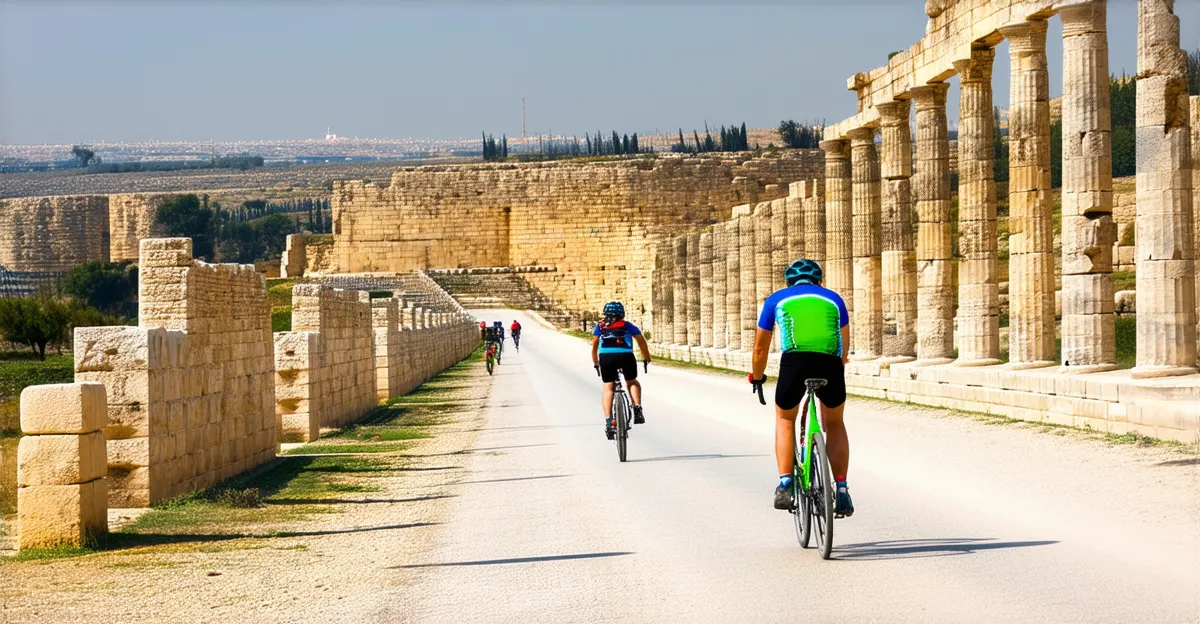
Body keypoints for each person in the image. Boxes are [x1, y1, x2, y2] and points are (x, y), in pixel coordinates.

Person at [749, 259, 854, 518]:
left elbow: (760, 349)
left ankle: (785, 484)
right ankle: (841, 488)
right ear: (819, 281)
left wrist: (758, 376)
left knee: (785, 419)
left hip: (795, 362)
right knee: (836, 423)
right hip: (829, 363)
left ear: (789, 282)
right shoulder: (834, 299)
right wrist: (836, 368)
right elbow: (843, 345)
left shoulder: (776, 299)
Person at [591, 301, 652, 440]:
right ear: (622, 314)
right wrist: (647, 357)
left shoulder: (600, 326)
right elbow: (641, 341)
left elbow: (594, 344)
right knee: (632, 382)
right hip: (625, 356)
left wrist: (596, 361)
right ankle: (637, 408)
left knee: (608, 388)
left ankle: (608, 422)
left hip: (606, 358)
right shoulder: (626, 325)